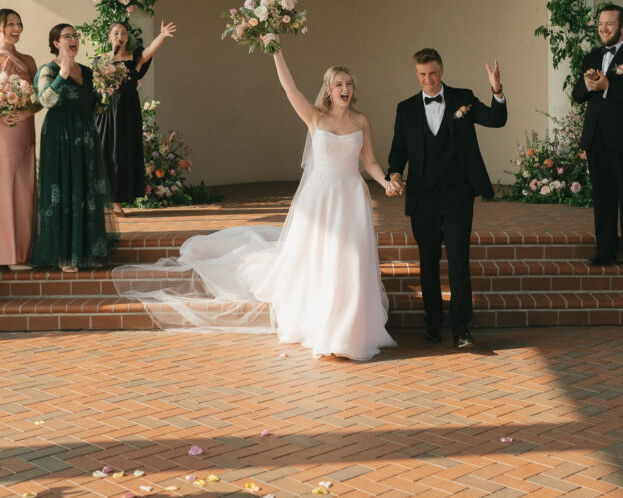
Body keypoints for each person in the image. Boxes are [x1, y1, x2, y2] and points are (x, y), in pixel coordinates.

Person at [114, 40, 396, 362]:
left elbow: (370, 161)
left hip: (351, 198)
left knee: (351, 259)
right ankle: (323, 327)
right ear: (329, 90)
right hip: (321, 199)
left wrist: (385, 181)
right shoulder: (316, 119)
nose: (345, 88)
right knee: (322, 259)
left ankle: (352, 328)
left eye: (348, 84)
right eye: (338, 84)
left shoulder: (362, 121)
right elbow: (290, 91)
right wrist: (276, 52)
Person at [387, 47, 506, 349]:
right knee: (428, 263)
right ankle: (433, 323)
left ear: (442, 71)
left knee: (458, 262)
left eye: (433, 73)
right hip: (422, 197)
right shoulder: (406, 108)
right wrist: (395, 173)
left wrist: (496, 89)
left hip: (457, 196)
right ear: (417, 75)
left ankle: (462, 327)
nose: (428, 79)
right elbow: (398, 150)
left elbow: (496, 119)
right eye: (422, 74)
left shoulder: (462, 98)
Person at [571, 5, 623, 267]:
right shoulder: (592, 56)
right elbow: (577, 95)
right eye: (600, 24)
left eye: (609, 24)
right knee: (602, 197)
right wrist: (587, 83)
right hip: (597, 139)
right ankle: (605, 250)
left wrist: (608, 86)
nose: (603, 28)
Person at [32, 24, 115, 272]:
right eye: (67, 36)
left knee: (87, 189)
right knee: (64, 189)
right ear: (56, 43)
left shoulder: (88, 72)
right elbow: (45, 99)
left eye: (75, 36)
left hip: (86, 136)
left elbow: (96, 108)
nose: (73, 40)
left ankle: (87, 251)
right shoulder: (48, 69)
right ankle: (64, 255)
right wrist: (63, 74)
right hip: (59, 138)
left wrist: (106, 95)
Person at [95, 19, 176, 214]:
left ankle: (119, 200)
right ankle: (106, 200)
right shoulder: (101, 58)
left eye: (123, 33)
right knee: (107, 152)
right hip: (107, 111)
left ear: (127, 36)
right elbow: (97, 84)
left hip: (128, 111)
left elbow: (149, 50)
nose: (120, 37)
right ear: (109, 37)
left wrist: (162, 35)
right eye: (116, 33)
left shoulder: (135, 58)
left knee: (123, 153)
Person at [0, 9, 40, 269]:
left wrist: (28, 109)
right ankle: (8, 254)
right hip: (3, 130)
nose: (16, 28)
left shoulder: (28, 59)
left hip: (25, 129)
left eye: (19, 23)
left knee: (25, 186)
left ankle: (21, 254)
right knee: (5, 185)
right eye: (10, 23)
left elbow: (41, 99)